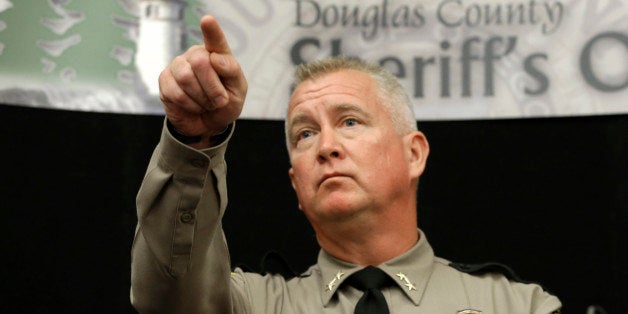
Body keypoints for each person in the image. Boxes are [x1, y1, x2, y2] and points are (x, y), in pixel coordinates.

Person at [130, 15, 562, 313]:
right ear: (296, 183)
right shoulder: (249, 304)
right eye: (305, 133)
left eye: (350, 121)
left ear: (414, 153)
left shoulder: (518, 306)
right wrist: (195, 139)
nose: (326, 146)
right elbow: (166, 296)